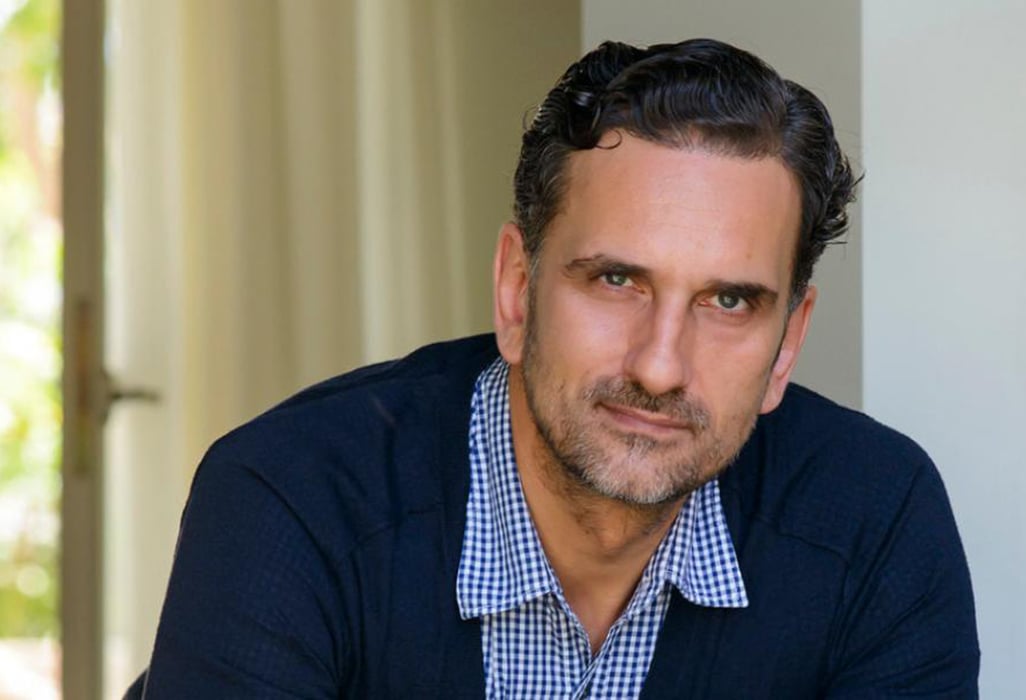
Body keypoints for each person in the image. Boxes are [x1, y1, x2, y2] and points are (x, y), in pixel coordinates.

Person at [129, 38, 978, 698]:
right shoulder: (293, 499)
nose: (660, 366)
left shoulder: (875, 519)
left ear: (788, 341)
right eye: (616, 281)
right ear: (516, 289)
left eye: (728, 302)